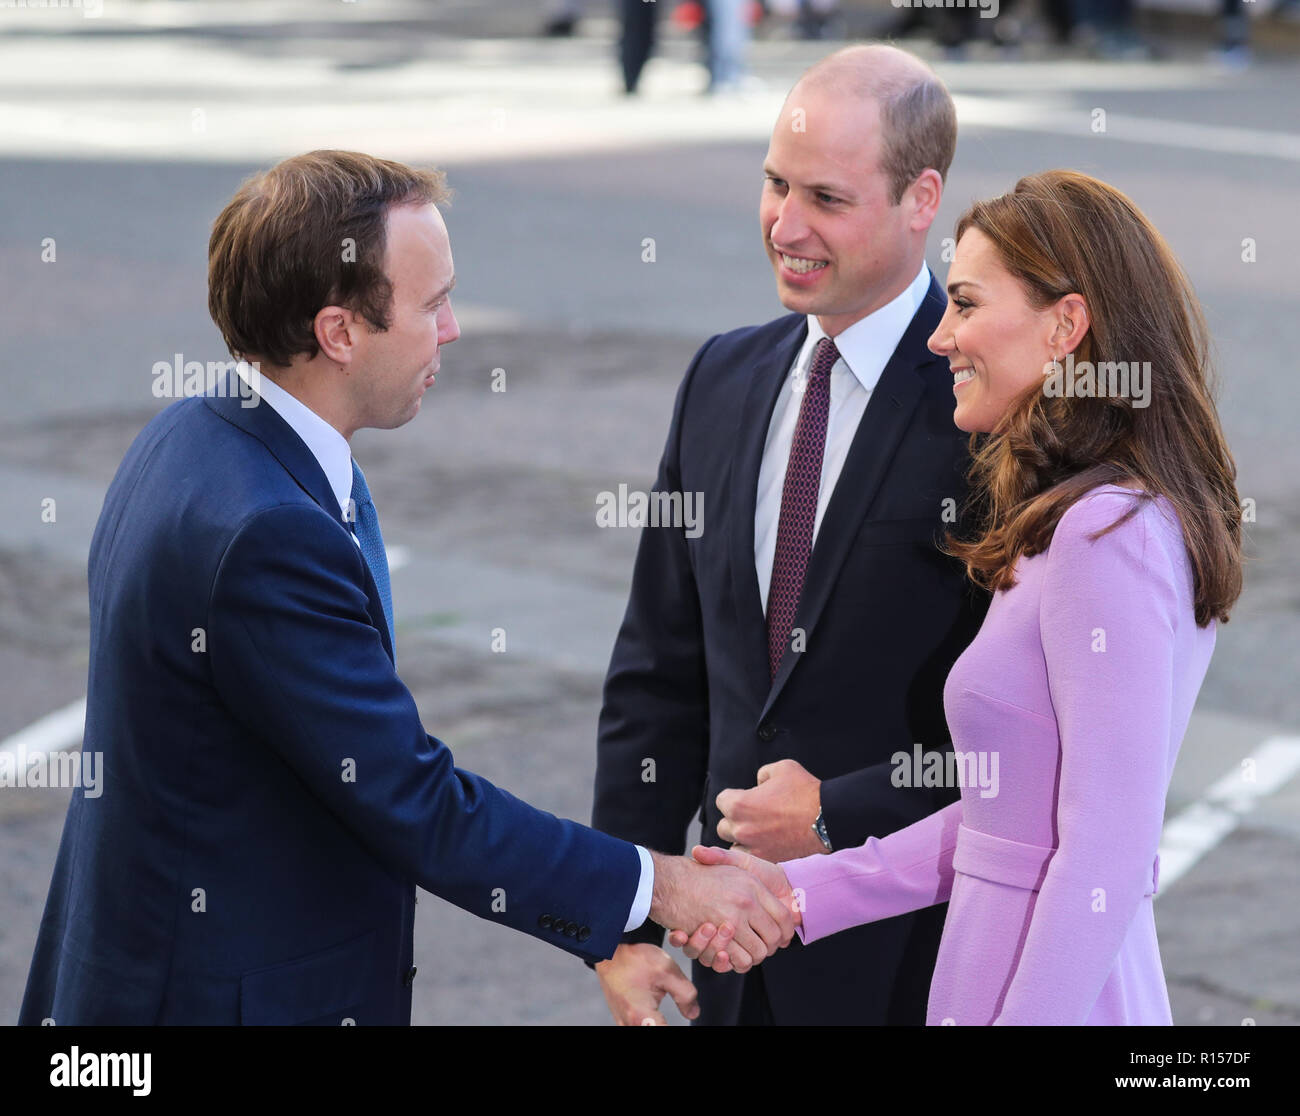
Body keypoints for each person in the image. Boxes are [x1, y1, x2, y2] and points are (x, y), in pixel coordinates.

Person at [17, 150, 794, 1026]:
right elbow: (414, 801)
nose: (454, 329)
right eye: (433, 305)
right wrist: (662, 889)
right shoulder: (270, 532)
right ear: (340, 332)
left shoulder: (191, 435)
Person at [678, 169, 1245, 1025]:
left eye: (968, 305)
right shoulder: (1075, 526)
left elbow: (1105, 856)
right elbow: (1001, 825)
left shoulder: (1107, 536)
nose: (941, 336)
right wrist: (797, 894)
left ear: (1066, 325)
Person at [591, 44, 989, 1026]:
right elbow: (657, 671)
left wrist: (835, 813)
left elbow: (1018, 743)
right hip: (724, 967)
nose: (786, 225)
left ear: (919, 198)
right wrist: (624, 924)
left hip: (908, 965)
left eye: (826, 197)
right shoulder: (721, 379)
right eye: (774, 184)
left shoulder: (991, 410)